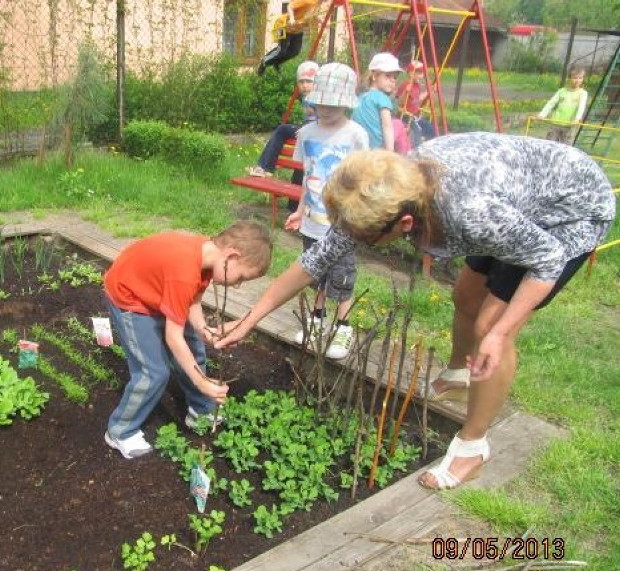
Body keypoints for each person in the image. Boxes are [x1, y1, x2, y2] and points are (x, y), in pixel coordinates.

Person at [214, 133, 615, 490]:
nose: (355, 242)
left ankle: (473, 446)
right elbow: (316, 261)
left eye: (367, 239)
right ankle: (460, 374)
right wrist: (251, 319)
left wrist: (499, 332)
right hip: (513, 198)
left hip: (568, 213)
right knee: (465, 296)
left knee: (491, 321)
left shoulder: (471, 214)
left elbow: (547, 259)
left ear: (405, 222)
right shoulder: (385, 188)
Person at [103, 221, 273, 459]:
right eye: (241, 277)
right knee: (153, 372)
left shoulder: (206, 258)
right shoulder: (184, 271)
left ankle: (201, 411)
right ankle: (120, 430)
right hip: (130, 298)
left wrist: (203, 329)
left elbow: (192, 301)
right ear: (232, 256)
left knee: (195, 348)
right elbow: (173, 337)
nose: (237, 286)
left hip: (156, 290)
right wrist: (201, 382)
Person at [284, 62, 368, 358]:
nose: (327, 108)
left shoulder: (355, 134)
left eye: (334, 103)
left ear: (346, 103)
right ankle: (317, 320)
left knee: (342, 277)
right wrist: (299, 208)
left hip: (343, 224)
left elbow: (362, 180)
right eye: (322, 102)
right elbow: (308, 176)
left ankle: (343, 326)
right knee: (316, 273)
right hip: (313, 221)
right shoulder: (306, 134)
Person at [247, 60, 319, 179]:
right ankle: (264, 168)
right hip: (306, 130)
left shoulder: (320, 99)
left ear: (317, 82)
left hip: (317, 133)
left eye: (308, 81)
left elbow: (325, 121)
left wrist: (307, 129)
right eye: (301, 82)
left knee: (283, 130)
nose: (304, 85)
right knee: (282, 129)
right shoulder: (306, 98)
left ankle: (265, 167)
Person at [352, 52, 410, 153]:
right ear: (374, 76)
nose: (392, 81)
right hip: (378, 147)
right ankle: (405, 158)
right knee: (399, 124)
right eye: (387, 76)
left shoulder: (360, 97)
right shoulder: (382, 99)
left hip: (360, 146)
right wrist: (389, 152)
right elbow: (386, 126)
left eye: (395, 77)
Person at [257, 0, 323, 75]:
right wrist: (292, 18)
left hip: (298, 29)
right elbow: (290, 6)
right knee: (281, 51)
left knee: (295, 51)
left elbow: (308, 15)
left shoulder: (318, 4)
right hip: (286, 26)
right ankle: (264, 61)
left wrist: (317, 19)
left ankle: (277, 63)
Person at [537, 65, 588, 145]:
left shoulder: (583, 93)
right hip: (555, 123)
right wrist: (542, 114)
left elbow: (581, 107)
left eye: (580, 78)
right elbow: (551, 103)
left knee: (566, 148)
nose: (577, 80)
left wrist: (577, 119)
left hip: (570, 125)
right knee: (549, 145)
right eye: (575, 78)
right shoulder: (561, 91)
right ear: (570, 78)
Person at [396, 60, 435, 148]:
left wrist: (429, 92)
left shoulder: (417, 86)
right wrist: (405, 92)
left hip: (415, 116)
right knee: (417, 132)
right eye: (419, 73)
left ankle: (430, 146)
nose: (421, 76)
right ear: (411, 73)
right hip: (405, 116)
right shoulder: (405, 85)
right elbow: (399, 102)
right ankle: (416, 150)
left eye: (422, 73)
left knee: (430, 128)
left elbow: (418, 98)